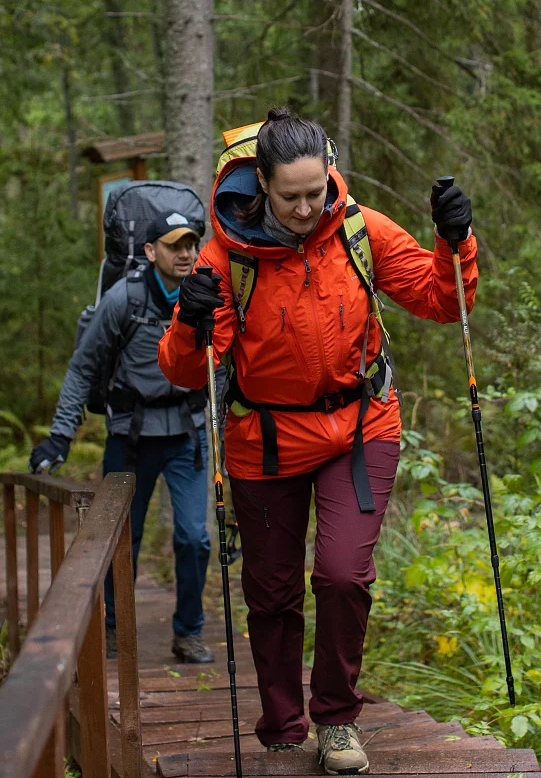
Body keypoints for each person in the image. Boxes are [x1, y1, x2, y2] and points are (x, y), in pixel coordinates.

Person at [158, 106, 477, 776]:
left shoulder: (359, 229)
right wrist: (189, 321)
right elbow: (187, 371)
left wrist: (456, 242)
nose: (308, 207)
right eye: (292, 196)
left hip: (359, 430)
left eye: (318, 190)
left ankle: (336, 721)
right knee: (271, 592)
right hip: (263, 442)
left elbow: (442, 300)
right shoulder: (225, 257)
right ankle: (281, 721)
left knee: (341, 574)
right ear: (262, 186)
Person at [29, 213, 215, 665]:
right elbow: (83, 366)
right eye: (174, 245)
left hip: (187, 435)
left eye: (191, 243)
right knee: (119, 538)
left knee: (195, 537)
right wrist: (60, 435)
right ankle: (112, 625)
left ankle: (188, 632)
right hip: (130, 436)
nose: (186, 253)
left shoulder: (205, 295)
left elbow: (223, 365)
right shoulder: (123, 299)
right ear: (150, 251)